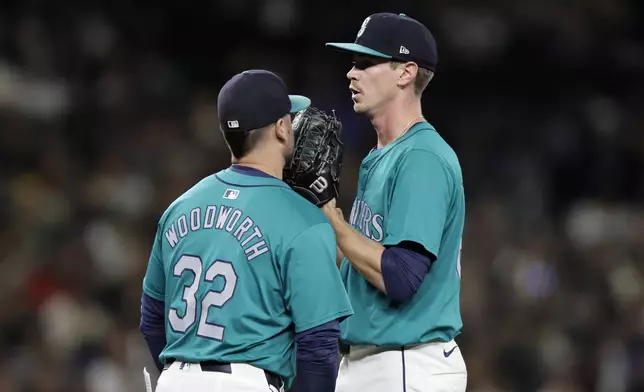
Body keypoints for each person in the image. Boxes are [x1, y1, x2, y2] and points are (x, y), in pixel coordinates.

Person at [139, 69, 354, 392]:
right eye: (289, 119)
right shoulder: (304, 220)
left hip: (175, 379)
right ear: (282, 128)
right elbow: (319, 347)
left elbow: (151, 319)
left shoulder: (179, 207)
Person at [323, 12, 468, 392]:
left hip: (406, 361)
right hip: (375, 359)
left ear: (405, 73)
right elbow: (357, 268)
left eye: (365, 63)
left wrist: (334, 222)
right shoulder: (382, 155)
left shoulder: (422, 157)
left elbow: (400, 277)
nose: (351, 74)